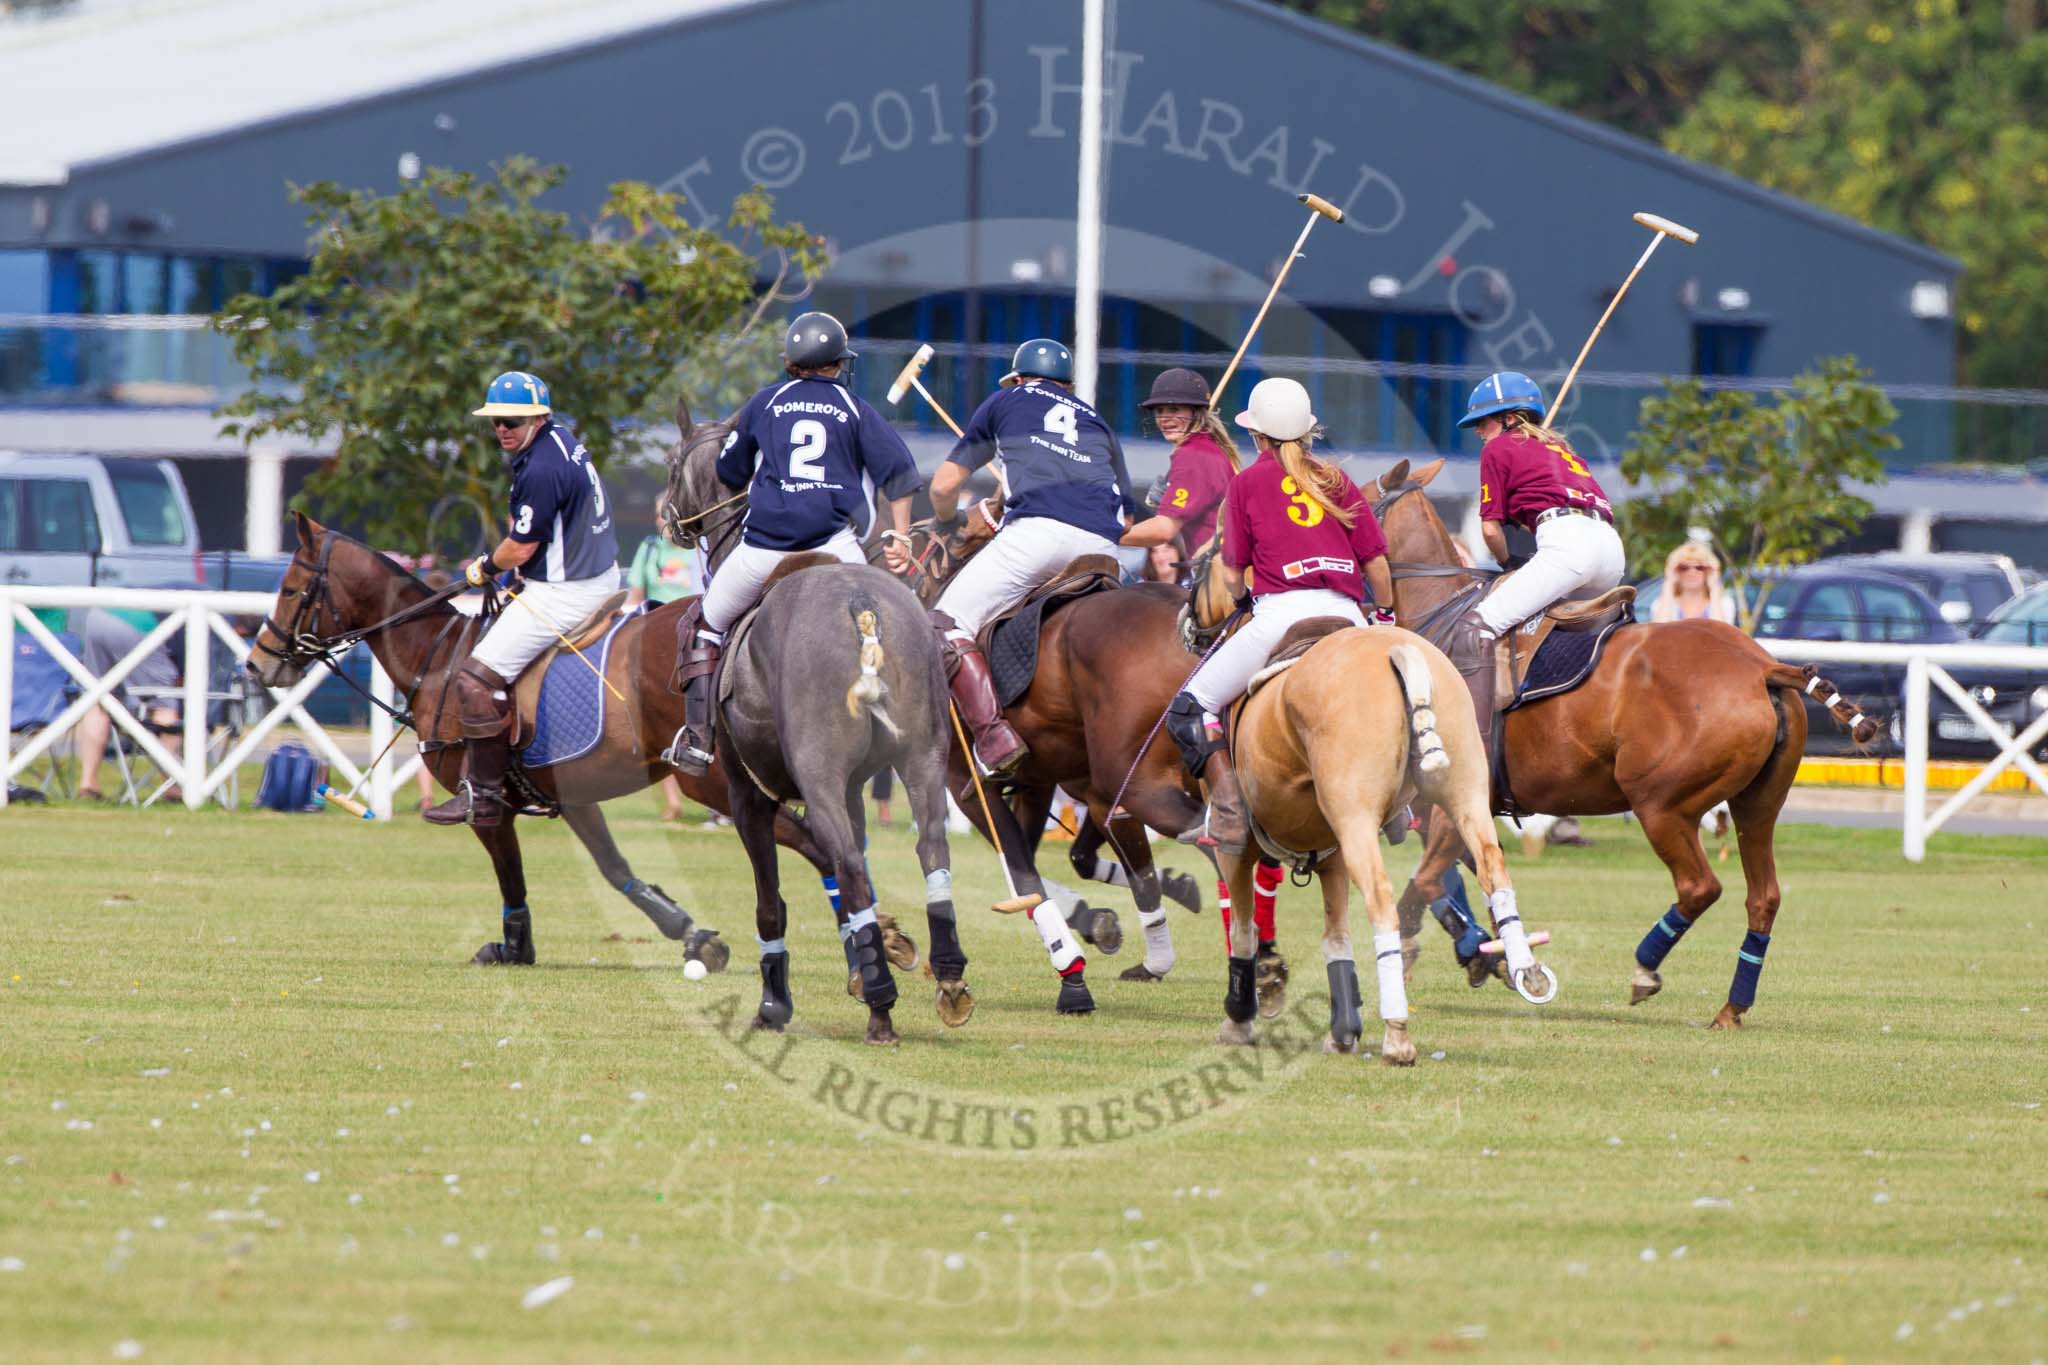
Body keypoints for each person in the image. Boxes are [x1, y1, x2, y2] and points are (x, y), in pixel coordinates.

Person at [669, 311, 922, 774]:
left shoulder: (764, 403)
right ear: (837, 364)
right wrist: (901, 536)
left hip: (764, 551)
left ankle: (699, 742)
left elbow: (728, 472)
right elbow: (901, 475)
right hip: (834, 548)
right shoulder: (853, 407)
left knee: (703, 624)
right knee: (889, 622)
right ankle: (906, 731)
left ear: (791, 362)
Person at [1163, 378, 1394, 851]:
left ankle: (1227, 813)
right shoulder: (1337, 479)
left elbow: (1231, 573)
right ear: (1307, 432)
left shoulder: (1246, 483)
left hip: (1279, 616)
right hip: (1348, 614)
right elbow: (1377, 564)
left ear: (1257, 436)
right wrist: (1385, 618)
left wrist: (1245, 603)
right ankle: (1399, 802)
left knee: (1190, 707)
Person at [928, 338, 1143, 775]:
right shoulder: (1099, 423)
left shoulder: (1005, 400)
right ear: (1067, 385)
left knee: (944, 625)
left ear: (1020, 378)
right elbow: (1125, 522)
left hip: (1036, 537)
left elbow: (943, 486)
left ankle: (992, 736)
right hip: (1103, 550)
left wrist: (947, 520)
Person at [424, 371, 621, 828]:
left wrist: (481, 569)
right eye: (495, 421)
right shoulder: (559, 441)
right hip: (593, 574)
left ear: (538, 417)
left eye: (512, 420)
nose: (502, 429)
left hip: (568, 592)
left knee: (473, 679)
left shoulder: (542, 467)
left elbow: (521, 546)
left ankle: (485, 794)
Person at [1446, 371, 1625, 770]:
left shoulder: (1497, 449)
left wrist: (1506, 561)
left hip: (1567, 545)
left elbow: (1490, 528)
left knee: (1474, 628)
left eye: (1483, 421)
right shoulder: (1563, 449)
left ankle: (1472, 751)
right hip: (1610, 549)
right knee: (1545, 630)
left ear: (1510, 418)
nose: (1479, 432)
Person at [1120, 368, 1240, 559]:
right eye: (1160, 411)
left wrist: (1108, 536)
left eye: (1174, 409)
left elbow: (1163, 530)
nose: (1165, 418)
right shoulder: (1208, 447)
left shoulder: (1193, 455)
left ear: (1195, 412)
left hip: (1221, 570)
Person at [71, 606, 181, 803]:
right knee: (164, 703)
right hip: (140, 623)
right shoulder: (220, 613)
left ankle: (88, 784)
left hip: (99, 615)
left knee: (98, 700)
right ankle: (174, 786)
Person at [1652, 538, 1737, 624]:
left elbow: (1720, 633)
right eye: (1683, 568)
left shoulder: (1724, 603)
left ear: (1708, 571)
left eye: (1700, 567)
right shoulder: (1663, 603)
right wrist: (1669, 583)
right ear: (1675, 571)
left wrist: (1714, 587)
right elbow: (1658, 633)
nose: (1692, 572)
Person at [625, 532, 704, 611]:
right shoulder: (650, 546)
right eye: (664, 518)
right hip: (658, 616)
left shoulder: (702, 547)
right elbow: (635, 595)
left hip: (695, 616)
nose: (668, 523)